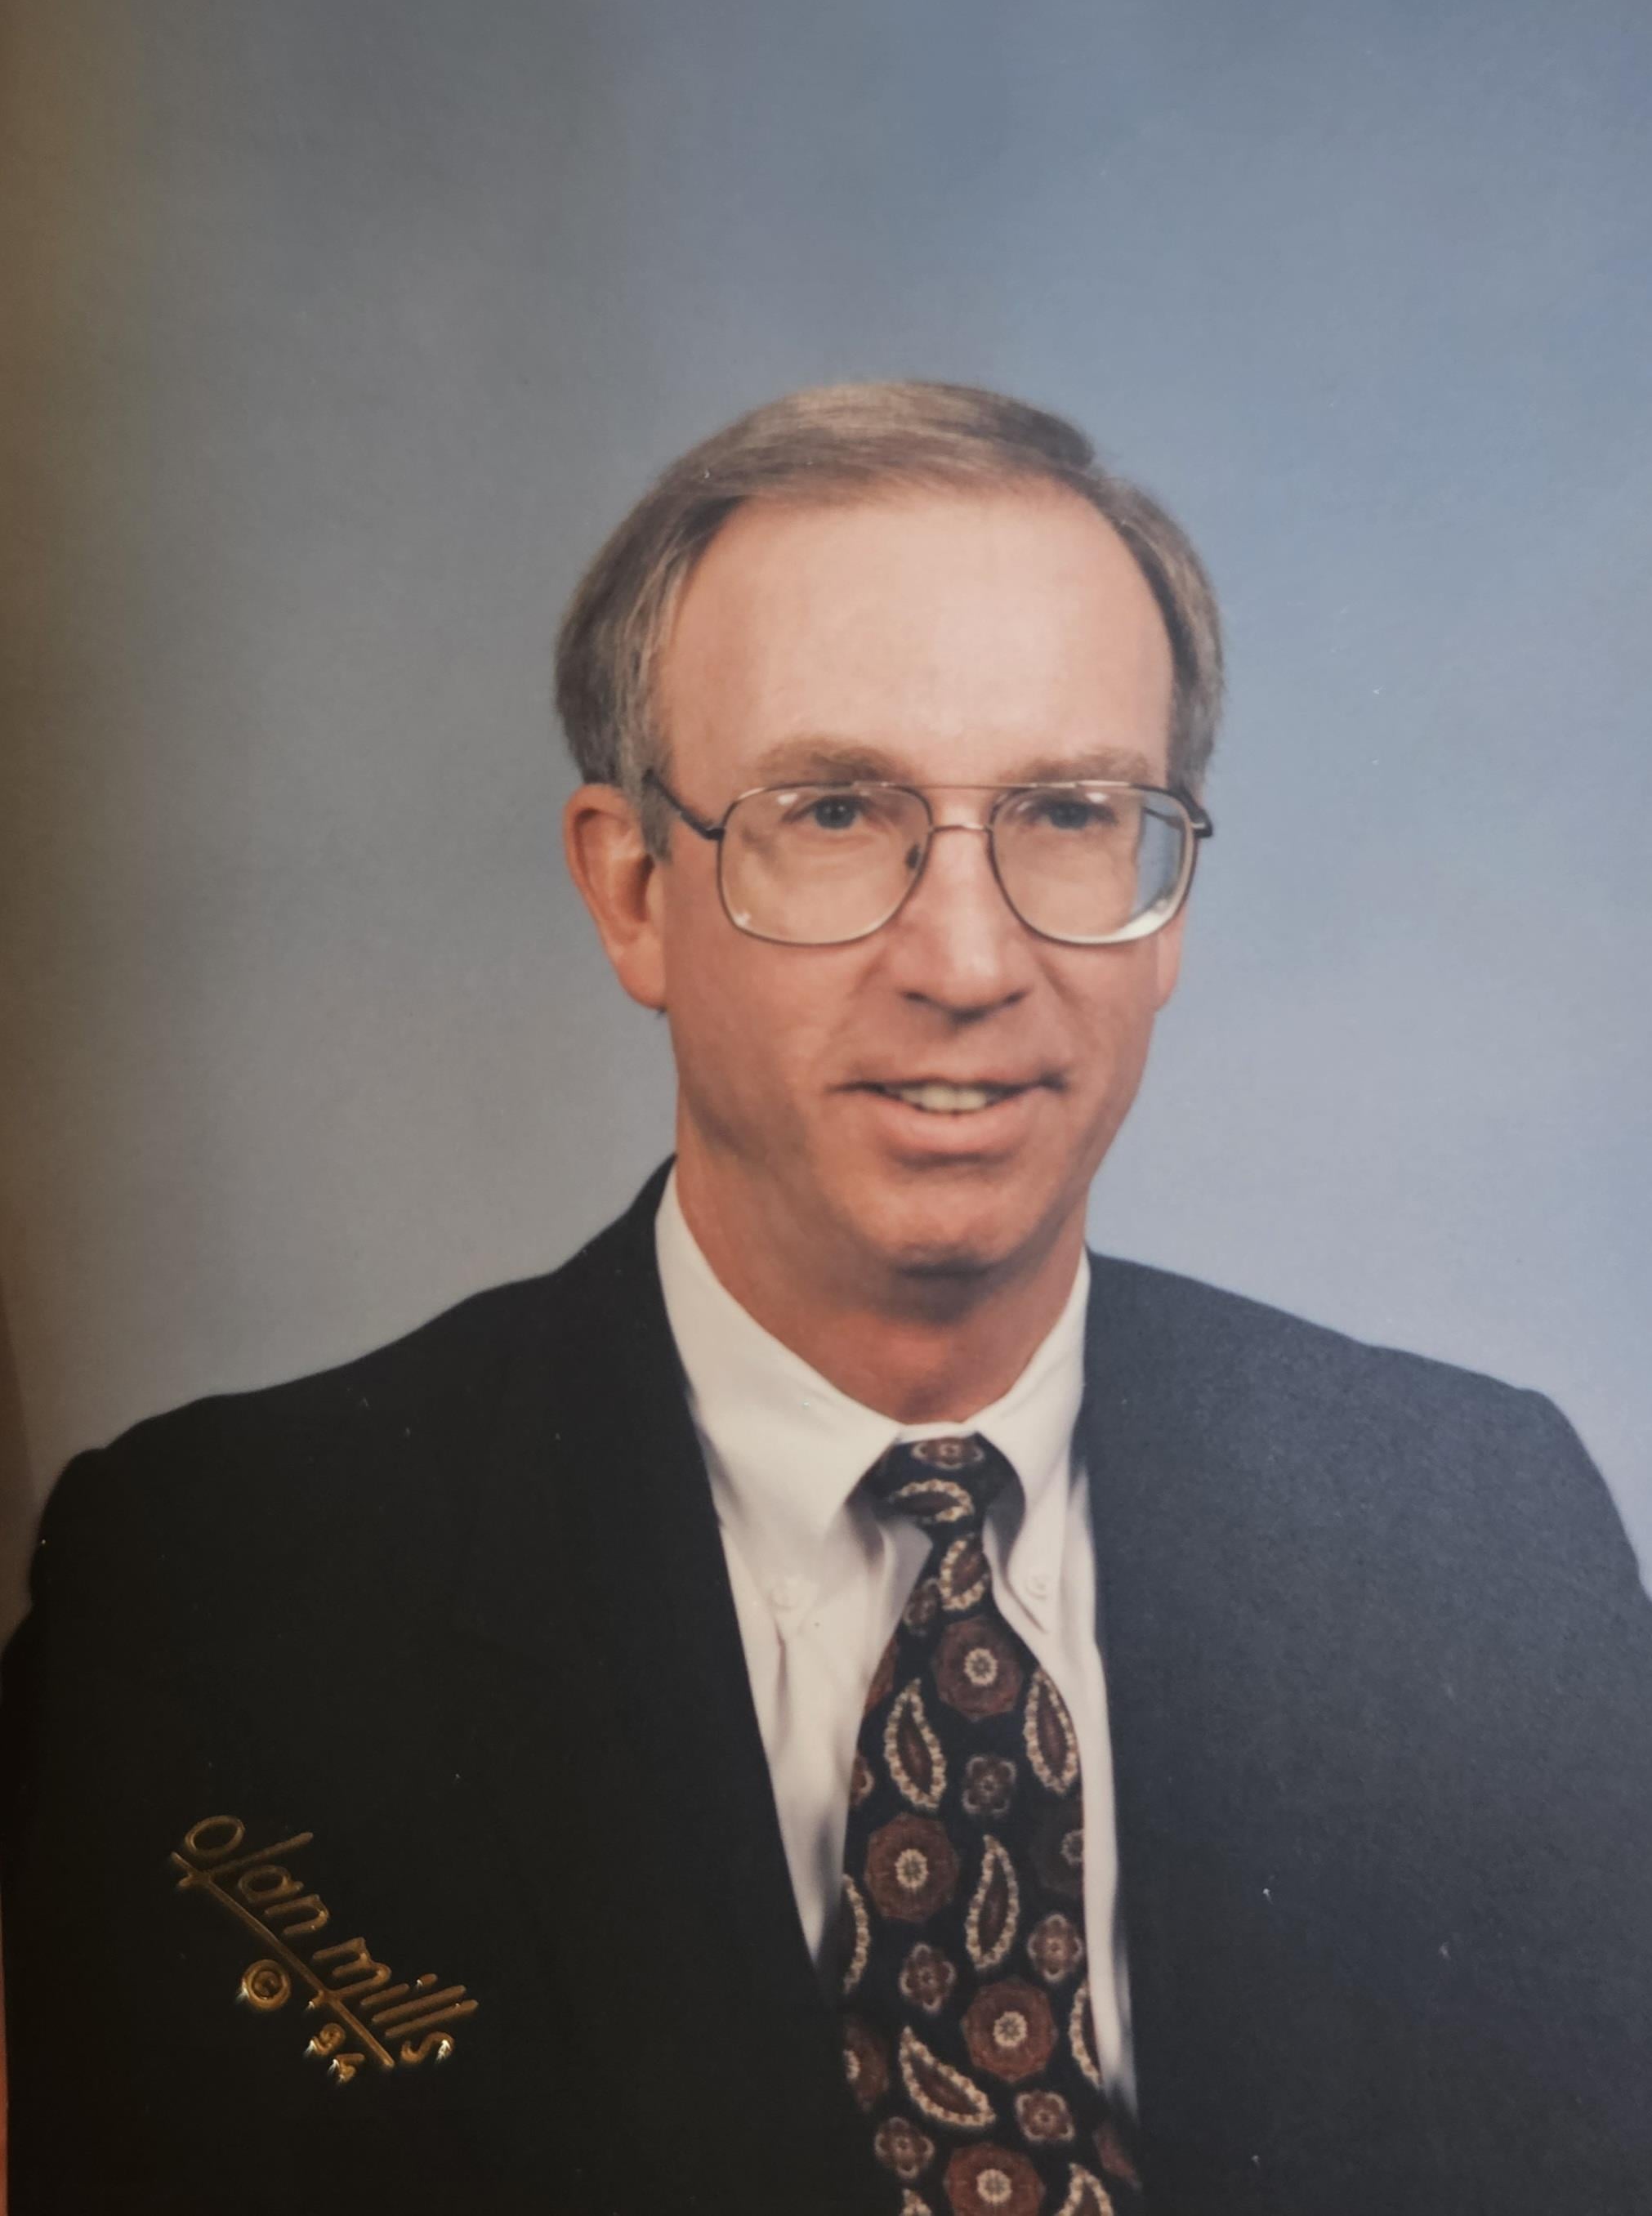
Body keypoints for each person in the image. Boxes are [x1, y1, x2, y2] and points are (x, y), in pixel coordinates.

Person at [2, 381, 1650, 2216]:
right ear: (633, 890)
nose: (966, 959)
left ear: (1170, 904)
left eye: (1072, 812)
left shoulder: (1480, 1536)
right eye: (841, 809)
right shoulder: (218, 1590)